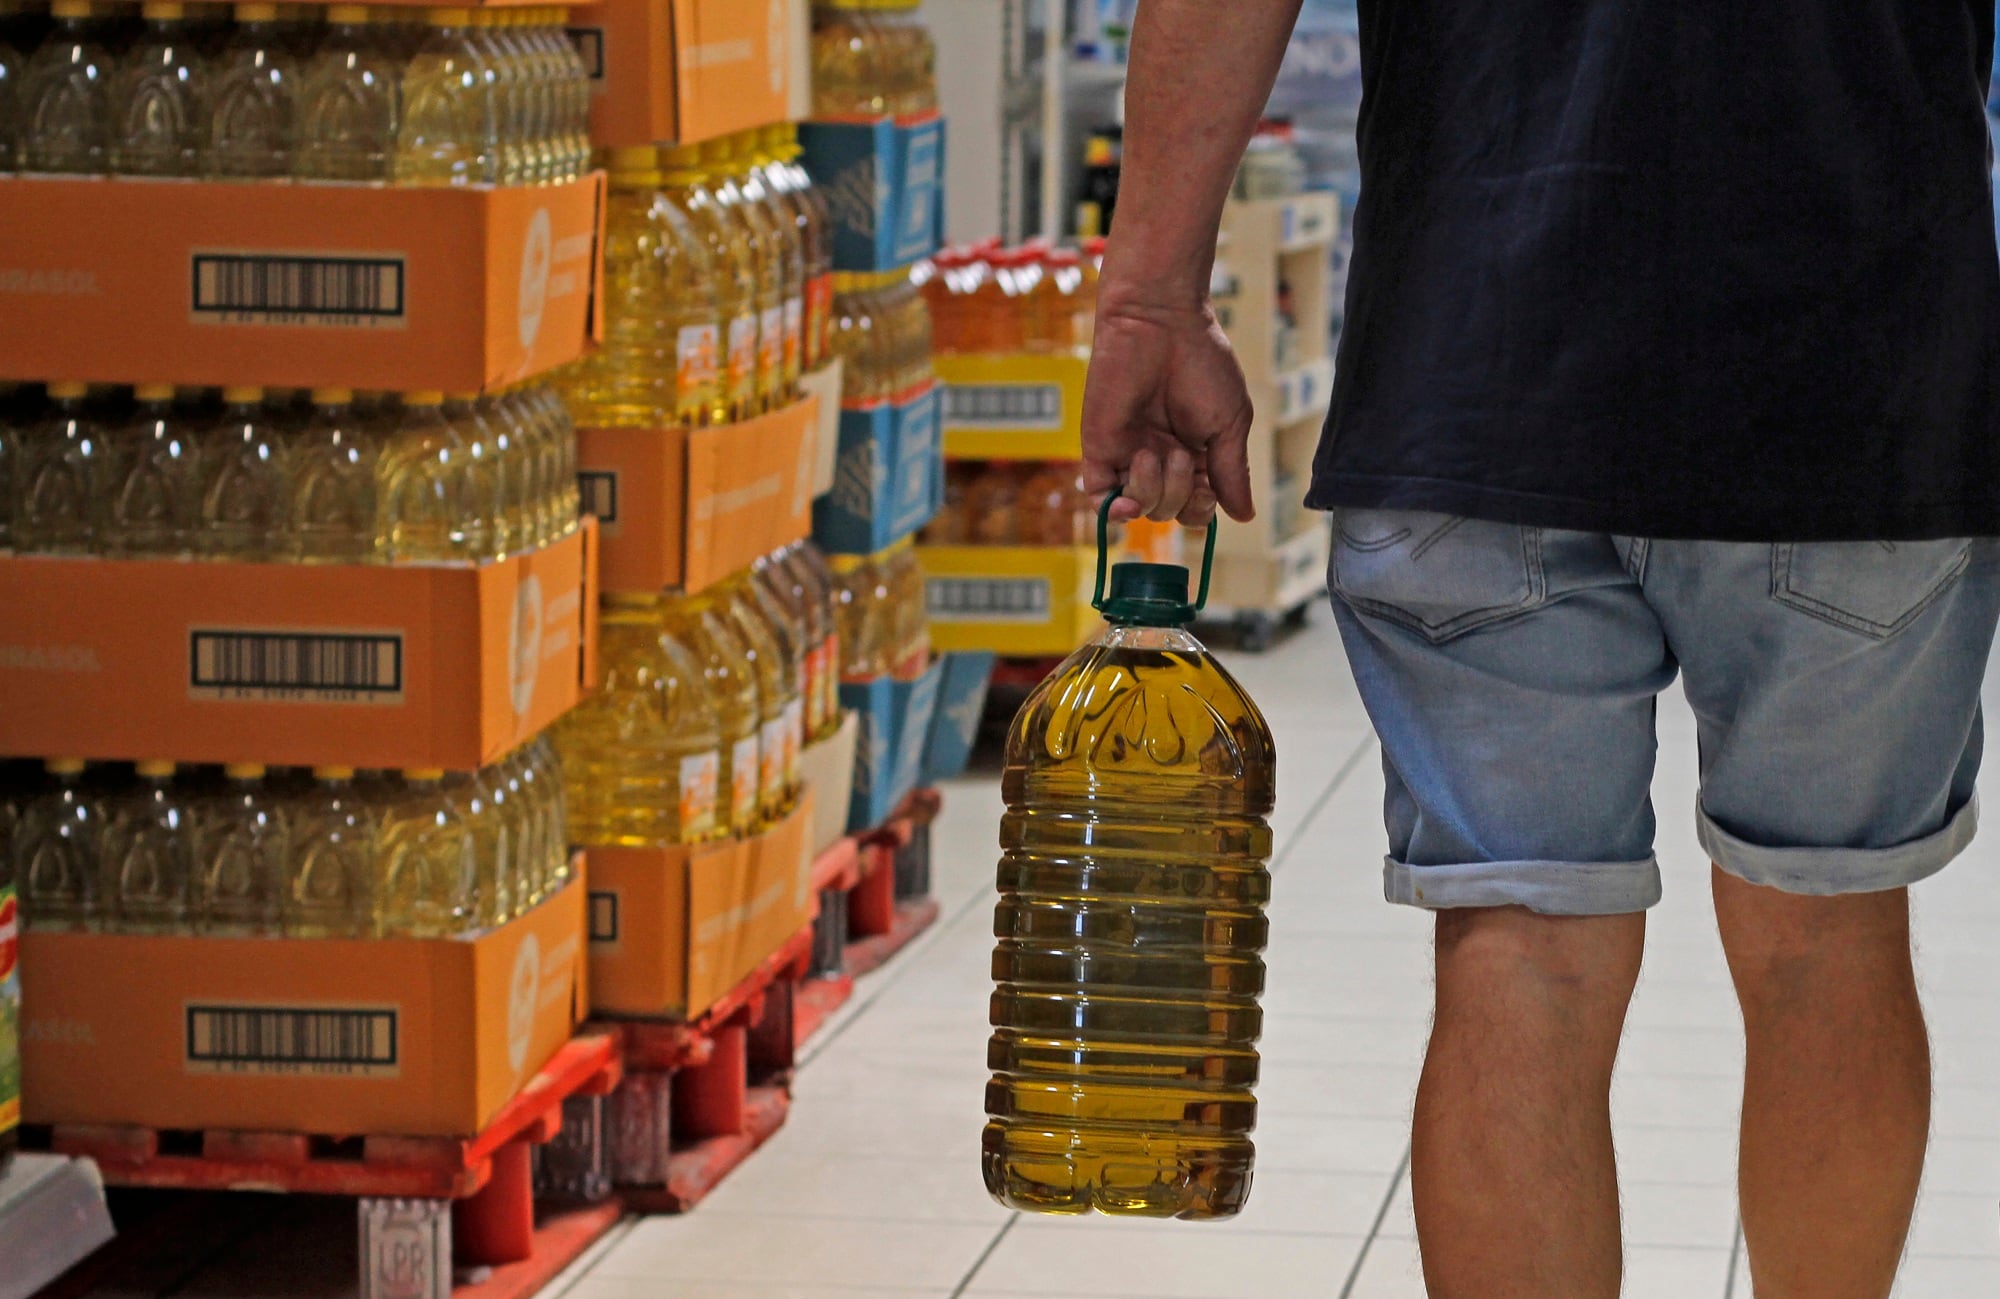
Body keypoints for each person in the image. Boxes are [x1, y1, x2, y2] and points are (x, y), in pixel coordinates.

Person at [1081, 3, 2000, 1296]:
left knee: (1522, 950)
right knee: (1825, 933)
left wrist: (1150, 297)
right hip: (1856, 337)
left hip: (1480, 332)